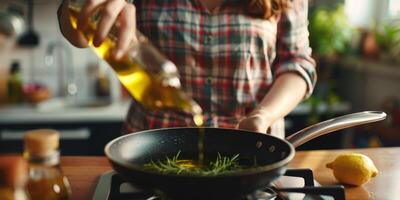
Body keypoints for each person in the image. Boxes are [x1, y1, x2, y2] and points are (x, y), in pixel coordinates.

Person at [57, 0, 316, 138]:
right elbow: (76, 27)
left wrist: (263, 115)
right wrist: (84, 8)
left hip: (252, 152)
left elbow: (296, 62)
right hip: (153, 151)